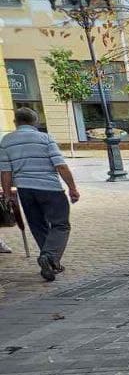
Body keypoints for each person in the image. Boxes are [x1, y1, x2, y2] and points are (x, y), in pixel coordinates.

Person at [0, 107, 80, 281]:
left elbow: (5, 171)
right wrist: (72, 188)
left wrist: (7, 195)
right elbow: (60, 165)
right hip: (50, 188)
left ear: (16, 122)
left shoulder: (6, 141)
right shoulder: (45, 138)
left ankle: (51, 262)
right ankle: (50, 257)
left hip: (25, 191)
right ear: (35, 122)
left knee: (38, 226)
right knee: (60, 225)